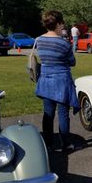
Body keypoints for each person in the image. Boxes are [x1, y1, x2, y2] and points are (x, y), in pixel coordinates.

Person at [35, 10, 80, 151]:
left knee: (48, 113)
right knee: (63, 114)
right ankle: (65, 144)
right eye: (62, 24)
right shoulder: (64, 44)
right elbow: (72, 62)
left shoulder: (39, 40)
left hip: (46, 80)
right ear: (58, 24)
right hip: (62, 82)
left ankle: (48, 144)